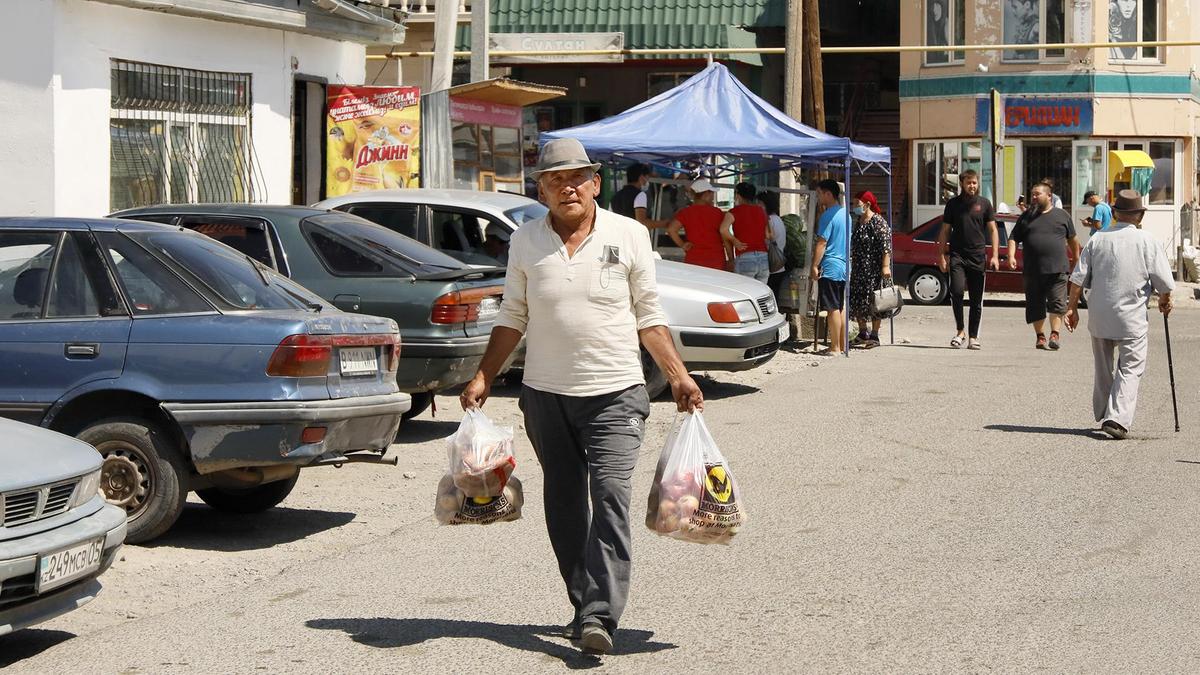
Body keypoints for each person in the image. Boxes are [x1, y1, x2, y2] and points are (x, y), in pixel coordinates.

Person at [460, 138, 703, 655]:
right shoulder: (525, 241)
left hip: (615, 393)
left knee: (611, 496)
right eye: (555, 179)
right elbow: (512, 316)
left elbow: (649, 314)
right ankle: (583, 603)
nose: (567, 186)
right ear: (541, 189)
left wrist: (678, 375)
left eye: (577, 178)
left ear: (595, 184)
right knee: (564, 503)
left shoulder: (630, 234)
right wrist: (484, 374)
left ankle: (599, 615)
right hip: (545, 395)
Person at [1065, 189, 1174, 439]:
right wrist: (1165, 302)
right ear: (1140, 216)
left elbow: (1078, 277)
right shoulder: (1148, 241)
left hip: (1100, 314)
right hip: (1131, 318)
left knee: (1103, 367)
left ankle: (1105, 410)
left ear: (1114, 213)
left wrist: (1071, 307)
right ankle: (1116, 418)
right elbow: (1164, 284)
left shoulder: (1098, 239)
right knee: (1131, 368)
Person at [1008, 182, 1081, 350]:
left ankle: (1054, 334)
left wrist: (1076, 259)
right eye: (1032, 194)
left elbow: (1073, 239)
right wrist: (1011, 255)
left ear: (1049, 196)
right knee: (1035, 305)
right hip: (1033, 270)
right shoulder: (1026, 216)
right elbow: (1013, 237)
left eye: (1037, 194)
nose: (1033, 197)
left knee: (1057, 303)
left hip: (1058, 269)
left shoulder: (1062, 215)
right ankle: (1040, 337)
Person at [937, 169, 1000, 350]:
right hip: (957, 255)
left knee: (975, 299)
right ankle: (960, 331)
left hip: (978, 256)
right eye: (968, 183)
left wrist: (995, 256)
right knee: (956, 292)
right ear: (962, 184)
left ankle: (973, 336)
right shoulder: (953, 204)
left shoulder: (985, 204)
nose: (972, 186)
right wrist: (941, 255)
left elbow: (993, 230)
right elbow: (945, 231)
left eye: (974, 183)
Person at [810, 179, 851, 355]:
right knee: (840, 307)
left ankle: (834, 347)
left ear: (828, 194)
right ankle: (840, 345)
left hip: (830, 265)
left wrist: (814, 265)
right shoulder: (845, 214)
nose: (818, 197)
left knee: (832, 307)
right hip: (843, 265)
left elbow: (821, 243)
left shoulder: (828, 215)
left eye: (819, 193)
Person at [848, 190, 893, 348]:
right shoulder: (859, 221)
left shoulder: (878, 222)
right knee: (858, 300)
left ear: (867, 205)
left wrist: (885, 266)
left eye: (857, 204)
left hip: (874, 270)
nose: (854, 207)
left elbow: (886, 247)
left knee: (875, 303)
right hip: (859, 269)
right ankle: (862, 332)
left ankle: (874, 335)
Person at [667, 179, 730, 271]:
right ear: (705, 195)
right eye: (711, 193)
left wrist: (682, 244)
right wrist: (731, 258)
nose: (713, 196)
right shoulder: (717, 213)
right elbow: (724, 234)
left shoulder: (686, 212)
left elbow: (671, 229)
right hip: (716, 260)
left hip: (693, 260)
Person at [720, 182, 771, 282]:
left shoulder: (733, 212)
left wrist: (734, 240)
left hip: (745, 256)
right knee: (760, 293)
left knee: (744, 292)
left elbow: (723, 229)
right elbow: (768, 235)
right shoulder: (761, 211)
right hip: (763, 257)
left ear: (738, 196)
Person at [611, 162, 668, 231]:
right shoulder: (640, 195)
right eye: (647, 177)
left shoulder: (615, 196)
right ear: (641, 177)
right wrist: (663, 223)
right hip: (632, 237)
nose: (647, 180)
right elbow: (641, 223)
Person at [763, 191, 788, 298]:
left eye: (759, 203)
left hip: (771, 266)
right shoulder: (778, 219)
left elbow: (767, 239)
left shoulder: (769, 220)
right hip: (779, 266)